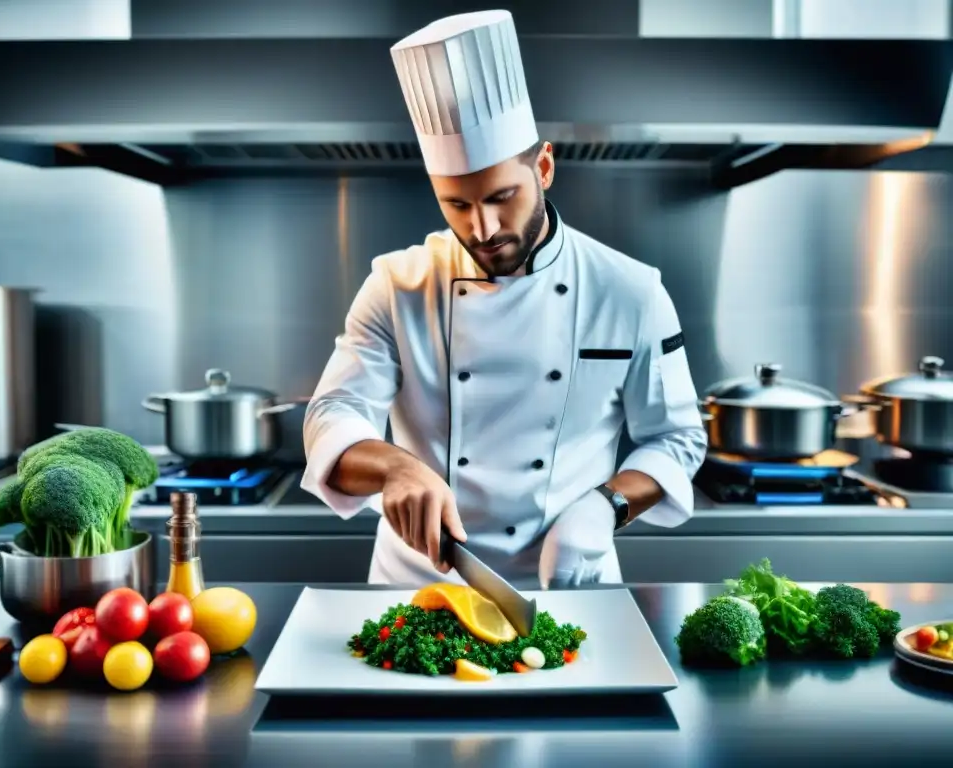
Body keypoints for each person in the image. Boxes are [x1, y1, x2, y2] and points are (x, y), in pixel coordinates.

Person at [301, 10, 707, 588]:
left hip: (569, 584)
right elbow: (329, 418)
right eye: (457, 204)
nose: (484, 227)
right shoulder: (397, 285)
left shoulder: (630, 291)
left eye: (502, 196)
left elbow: (677, 438)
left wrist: (604, 507)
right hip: (418, 588)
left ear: (543, 166)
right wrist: (395, 467)